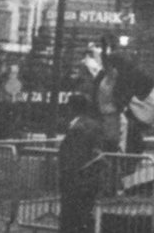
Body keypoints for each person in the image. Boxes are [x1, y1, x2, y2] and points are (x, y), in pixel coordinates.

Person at [58, 92, 111, 233]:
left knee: (70, 218)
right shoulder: (94, 125)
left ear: (71, 108)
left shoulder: (77, 129)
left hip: (75, 180)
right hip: (90, 179)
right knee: (84, 216)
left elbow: (74, 158)